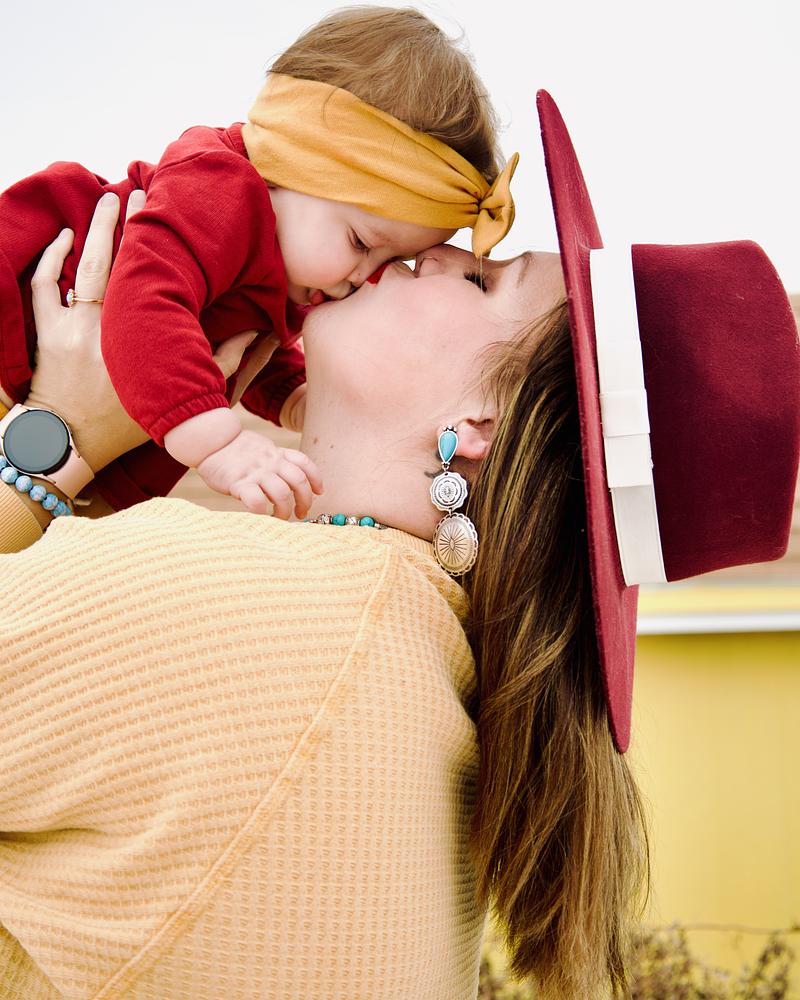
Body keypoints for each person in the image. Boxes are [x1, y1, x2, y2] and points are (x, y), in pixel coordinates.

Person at [0, 93, 797, 1000]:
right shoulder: (407, 657)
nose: (439, 251)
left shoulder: (237, 613)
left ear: (480, 422)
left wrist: (56, 440)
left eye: (484, 282)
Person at [0, 5, 517, 517]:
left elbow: (249, 339)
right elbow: (145, 304)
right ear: (292, 163)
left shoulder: (290, 263)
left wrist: (292, 398)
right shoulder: (220, 188)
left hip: (59, 433)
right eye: (361, 242)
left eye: (394, 259)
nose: (366, 277)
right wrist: (219, 444)